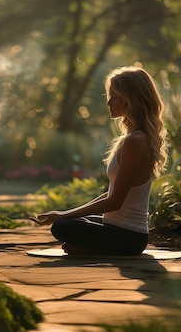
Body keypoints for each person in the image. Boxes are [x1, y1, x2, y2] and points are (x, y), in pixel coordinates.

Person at [30, 66, 167, 255]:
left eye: (115, 97)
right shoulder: (134, 139)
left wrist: (62, 215)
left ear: (132, 99)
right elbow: (111, 194)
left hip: (128, 237)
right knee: (68, 222)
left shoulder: (135, 141)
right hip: (118, 229)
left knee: (61, 226)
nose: (109, 103)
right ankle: (85, 248)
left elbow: (115, 202)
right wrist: (65, 212)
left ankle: (89, 249)